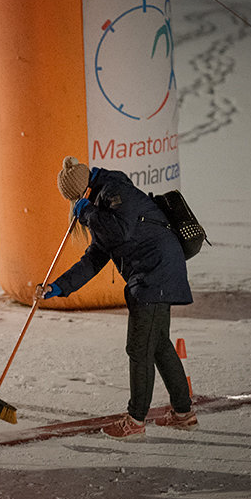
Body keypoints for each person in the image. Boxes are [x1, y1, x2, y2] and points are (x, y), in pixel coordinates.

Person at [36, 156, 198, 439]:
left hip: (154, 273)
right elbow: (94, 258)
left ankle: (135, 421)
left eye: (76, 198)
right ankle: (184, 414)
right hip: (156, 272)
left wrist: (88, 213)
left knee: (139, 348)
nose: (76, 204)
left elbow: (120, 230)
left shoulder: (115, 191)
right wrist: (58, 287)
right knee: (158, 344)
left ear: (83, 188)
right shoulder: (101, 203)